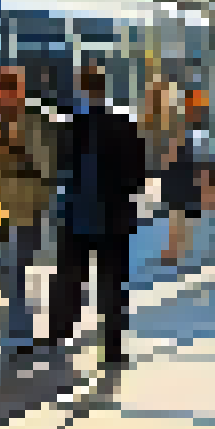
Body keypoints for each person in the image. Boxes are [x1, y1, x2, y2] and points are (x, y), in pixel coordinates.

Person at [49, 64, 147, 367]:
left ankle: (61, 334)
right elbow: (138, 175)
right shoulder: (124, 123)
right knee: (112, 285)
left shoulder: (68, 125)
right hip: (112, 218)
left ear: (81, 87)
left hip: (76, 216)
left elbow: (58, 168)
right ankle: (113, 350)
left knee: (69, 279)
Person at [0, 66, 54, 350]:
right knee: (4, 268)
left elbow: (46, 166)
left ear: (16, 91)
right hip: (5, 209)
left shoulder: (36, 120)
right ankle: (20, 327)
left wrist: (6, 148)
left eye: (0, 90)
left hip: (30, 209)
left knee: (17, 271)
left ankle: (21, 333)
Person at [159, 89, 215, 267]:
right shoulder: (186, 130)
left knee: (181, 216)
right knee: (178, 216)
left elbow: (203, 159)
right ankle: (176, 251)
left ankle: (177, 251)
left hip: (186, 177)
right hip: (181, 176)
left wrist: (206, 184)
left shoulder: (199, 133)